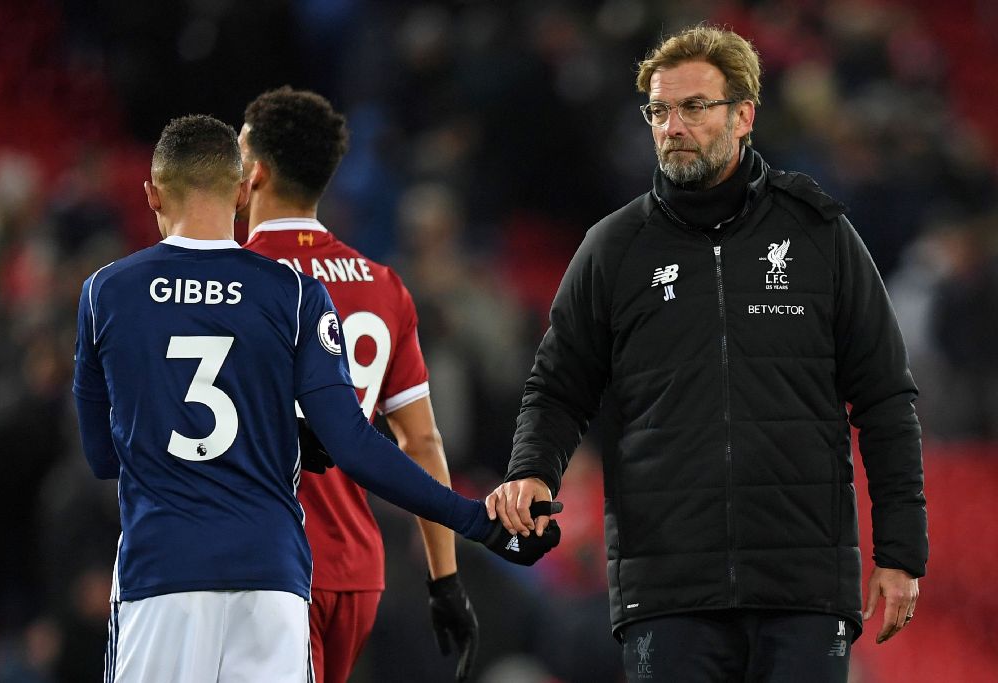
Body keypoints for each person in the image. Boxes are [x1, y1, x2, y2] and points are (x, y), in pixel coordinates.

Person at [485, 24, 927, 683]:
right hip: (667, 593)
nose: (672, 126)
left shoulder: (820, 237)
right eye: (659, 111)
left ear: (743, 114)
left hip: (802, 588)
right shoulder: (614, 249)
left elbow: (887, 398)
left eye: (694, 107)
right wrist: (532, 468)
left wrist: (900, 552)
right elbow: (557, 385)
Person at [72, 114, 559, 683]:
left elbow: (102, 456)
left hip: (161, 574)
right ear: (240, 190)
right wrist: (477, 522)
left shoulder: (107, 291)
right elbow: (352, 444)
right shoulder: (295, 293)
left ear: (152, 193)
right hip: (271, 579)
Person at [237, 86, 477, 683]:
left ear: (257, 172)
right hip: (354, 568)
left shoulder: (228, 281)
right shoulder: (382, 284)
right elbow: (422, 445)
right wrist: (443, 578)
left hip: (265, 564)